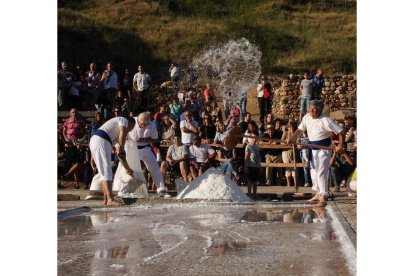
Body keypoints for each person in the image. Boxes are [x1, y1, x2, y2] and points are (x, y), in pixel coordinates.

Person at [287, 99, 343, 207]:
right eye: (311, 109)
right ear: (308, 109)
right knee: (314, 171)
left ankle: (324, 196)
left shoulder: (326, 120)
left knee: (322, 172)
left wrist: (340, 145)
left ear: (320, 110)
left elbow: (340, 131)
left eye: (316, 109)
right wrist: (292, 139)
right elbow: (299, 130)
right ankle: (318, 193)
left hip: (324, 148)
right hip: (312, 148)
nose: (313, 111)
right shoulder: (306, 117)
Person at [89, 116, 136, 206]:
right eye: (131, 128)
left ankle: (106, 200)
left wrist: (127, 168)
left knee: (104, 172)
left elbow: (120, 155)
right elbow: (123, 131)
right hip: (101, 140)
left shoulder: (117, 135)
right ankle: (110, 199)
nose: (129, 131)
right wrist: (122, 147)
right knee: (106, 171)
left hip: (98, 141)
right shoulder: (124, 120)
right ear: (131, 123)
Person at [128, 112, 170, 197]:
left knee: (154, 167)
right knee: (128, 168)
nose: (143, 126)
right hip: (132, 148)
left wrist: (144, 139)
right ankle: (126, 190)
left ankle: (161, 189)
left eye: (145, 124)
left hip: (145, 148)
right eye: (141, 124)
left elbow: (155, 139)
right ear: (138, 120)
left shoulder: (151, 125)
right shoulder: (132, 121)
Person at [244, 132, 261, 199]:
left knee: (255, 181)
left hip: (256, 166)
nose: (254, 139)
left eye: (255, 138)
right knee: (250, 181)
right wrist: (245, 166)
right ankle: (249, 194)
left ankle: (254, 194)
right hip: (250, 166)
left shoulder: (257, 147)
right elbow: (246, 157)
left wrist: (260, 166)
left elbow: (258, 157)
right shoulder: (248, 146)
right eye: (253, 138)